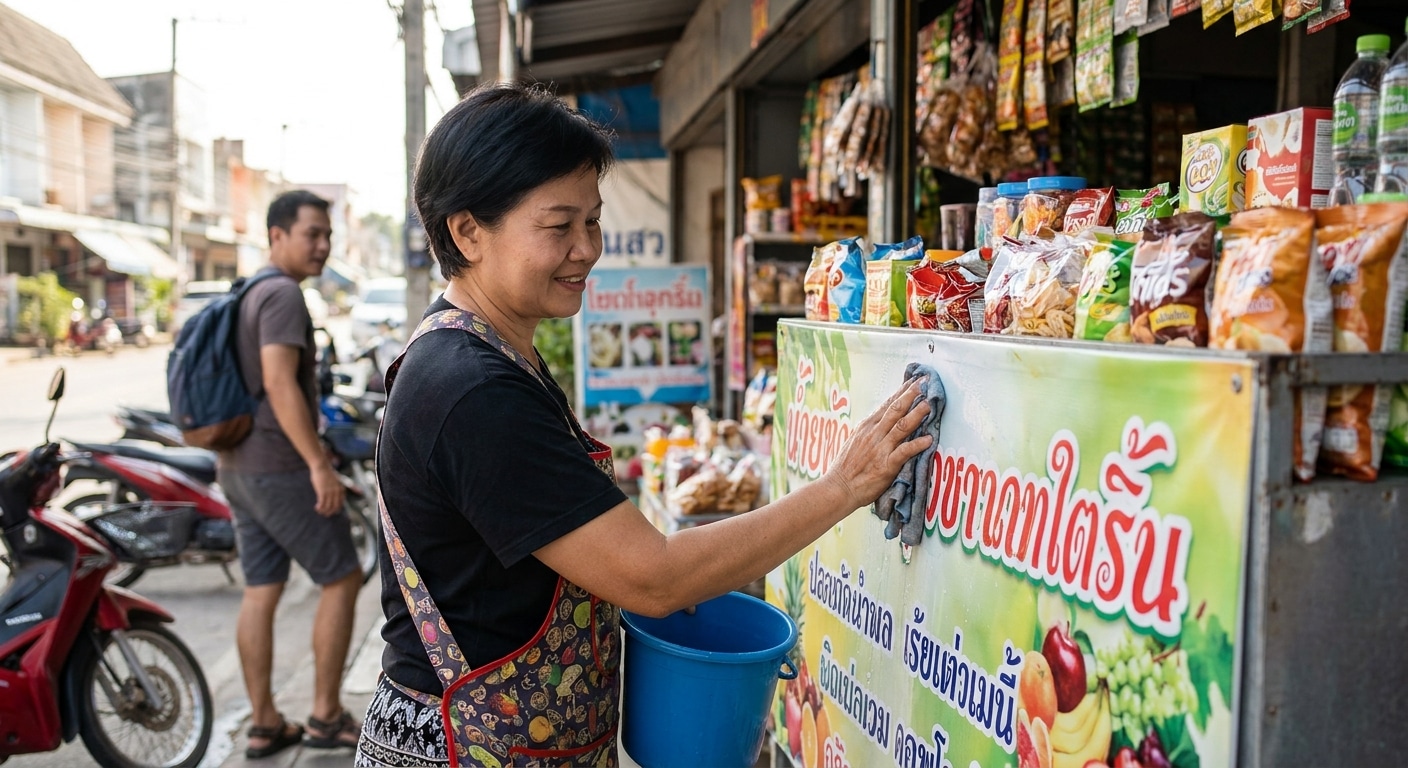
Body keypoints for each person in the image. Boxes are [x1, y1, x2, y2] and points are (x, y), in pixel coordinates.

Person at [356, 83, 932, 768]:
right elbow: (653, 577)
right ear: (468, 231)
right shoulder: (471, 388)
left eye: (593, 221)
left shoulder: (490, 353)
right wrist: (844, 485)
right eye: (558, 225)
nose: (586, 249)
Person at [221, 189, 364, 758]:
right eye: (312, 234)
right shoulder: (281, 297)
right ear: (276, 235)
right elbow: (280, 383)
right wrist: (317, 466)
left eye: (328, 235)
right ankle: (325, 716)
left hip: (237, 466)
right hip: (280, 466)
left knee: (261, 590)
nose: (323, 246)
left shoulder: (248, 292)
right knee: (343, 578)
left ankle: (263, 722)